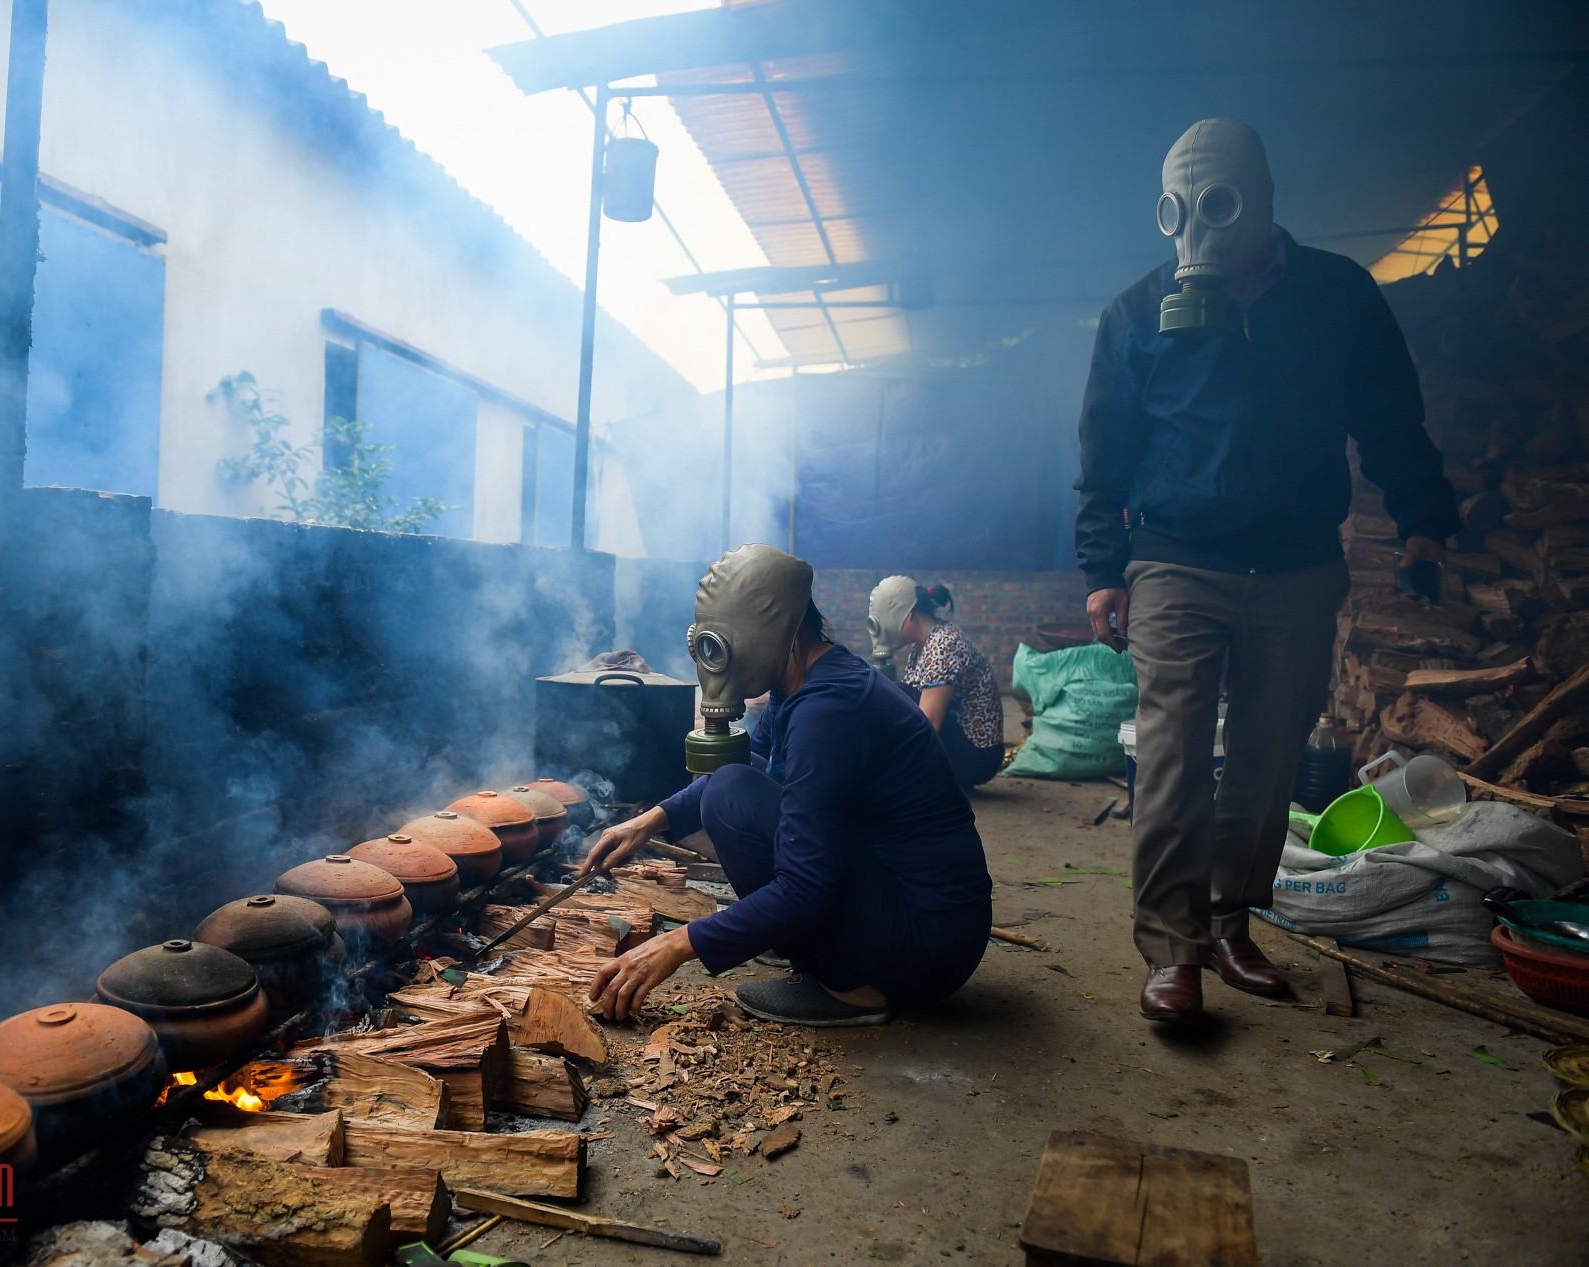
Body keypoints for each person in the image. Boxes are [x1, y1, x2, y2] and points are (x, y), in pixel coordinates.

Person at [1074, 119, 1459, 1022]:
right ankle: (1172, 949)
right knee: (1169, 756)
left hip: (1296, 562)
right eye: (1180, 207)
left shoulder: (1337, 295)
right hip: (1175, 559)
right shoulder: (1136, 313)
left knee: (1266, 755)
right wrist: (1103, 565)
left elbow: (1393, 419)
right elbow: (1106, 451)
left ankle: (1228, 921)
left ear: (1264, 200)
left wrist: (1423, 520)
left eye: (1218, 203)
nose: (1197, 228)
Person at [582, 544, 992, 1027]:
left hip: (927, 941)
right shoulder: (802, 682)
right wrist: (649, 823)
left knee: (731, 793)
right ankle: (815, 947)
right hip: (913, 908)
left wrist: (675, 945)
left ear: (778, 630)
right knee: (732, 782)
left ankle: (851, 988)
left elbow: (805, 885)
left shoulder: (826, 711)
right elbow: (755, 770)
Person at [867, 576, 1005, 789]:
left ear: (910, 616)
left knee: (897, 695)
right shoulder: (924, 644)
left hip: (976, 756)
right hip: (963, 747)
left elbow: (929, 722)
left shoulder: (944, 644)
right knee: (894, 697)